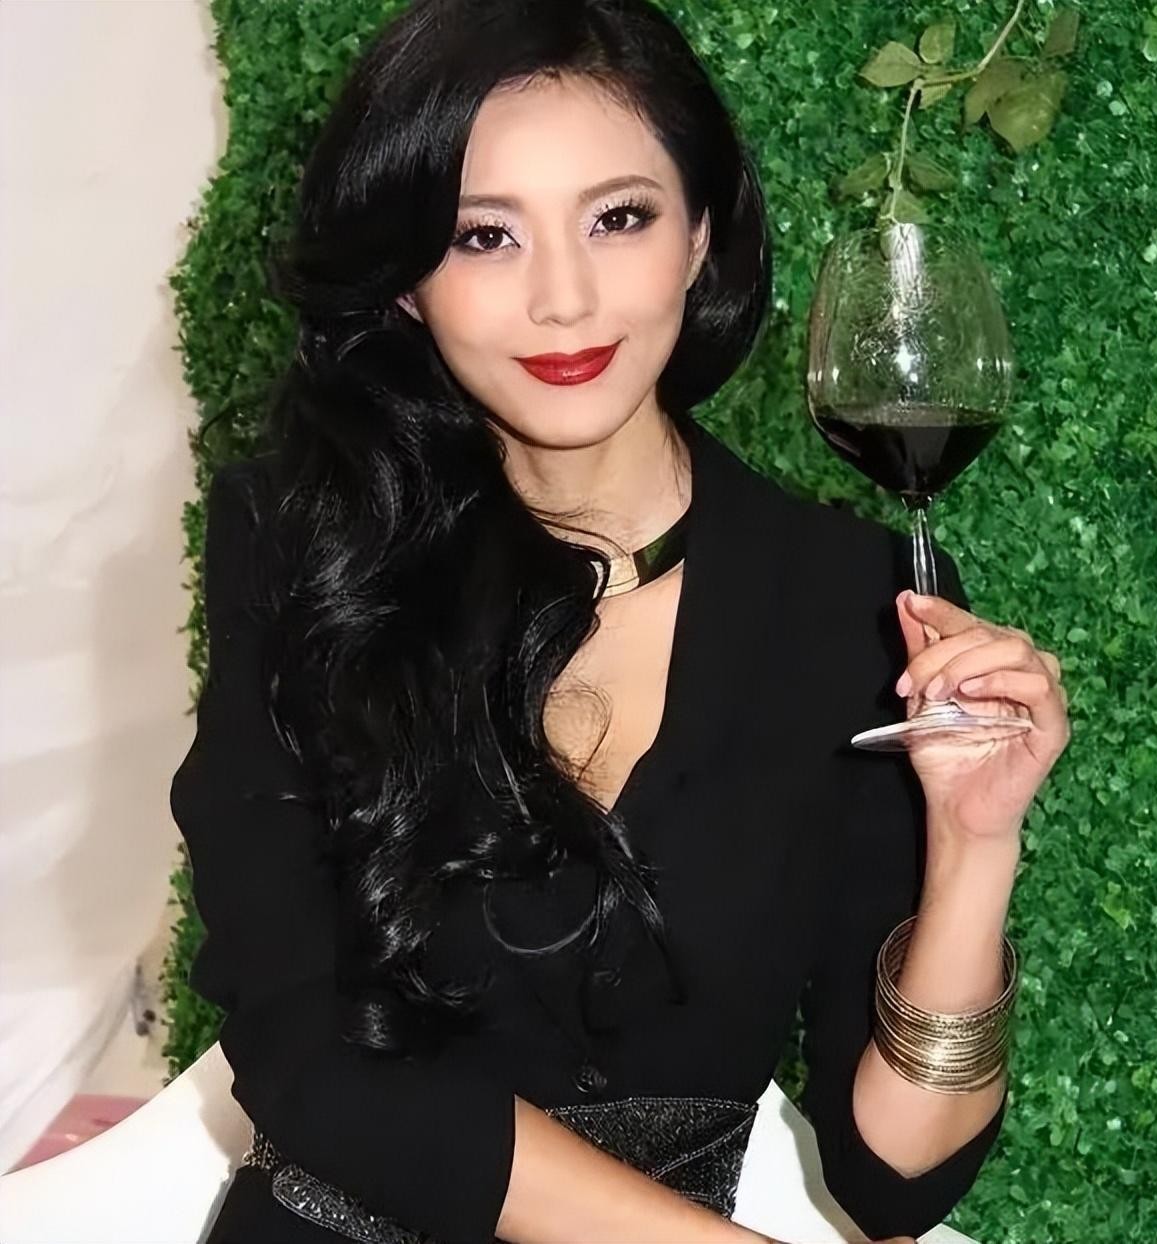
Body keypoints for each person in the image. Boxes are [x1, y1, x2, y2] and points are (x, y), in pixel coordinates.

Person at [169, 2, 1071, 1242]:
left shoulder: (847, 598)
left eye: (618, 218)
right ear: (408, 285)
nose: (564, 299)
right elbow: (308, 1053)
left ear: (700, 234)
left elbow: (894, 1176)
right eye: (484, 235)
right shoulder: (307, 548)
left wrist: (975, 844)